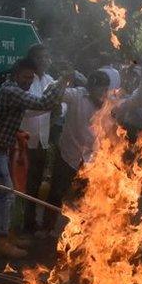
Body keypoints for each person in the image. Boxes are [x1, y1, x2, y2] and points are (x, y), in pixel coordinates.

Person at [0, 58, 68, 258]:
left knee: (3, 194)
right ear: (15, 75)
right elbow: (42, 103)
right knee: (5, 194)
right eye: (25, 77)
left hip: (0, 148)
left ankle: (7, 235)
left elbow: (23, 113)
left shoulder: (13, 90)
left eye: (31, 78)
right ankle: (2, 241)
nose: (28, 81)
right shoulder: (11, 91)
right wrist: (62, 81)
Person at [42, 70, 111, 233]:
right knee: (56, 193)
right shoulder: (76, 96)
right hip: (68, 155)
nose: (102, 93)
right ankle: (46, 228)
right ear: (90, 88)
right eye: (99, 89)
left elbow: (133, 101)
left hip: (92, 160)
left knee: (85, 197)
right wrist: (62, 79)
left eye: (105, 89)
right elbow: (49, 94)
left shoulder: (109, 102)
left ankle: (81, 233)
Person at [17, 44, 55, 234]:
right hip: (24, 142)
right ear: (32, 60)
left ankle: (31, 221)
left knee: (37, 183)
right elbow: (28, 110)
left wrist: (58, 109)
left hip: (42, 140)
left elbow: (61, 105)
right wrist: (49, 106)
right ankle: (21, 223)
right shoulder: (26, 80)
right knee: (23, 185)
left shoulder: (50, 80)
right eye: (40, 57)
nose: (45, 61)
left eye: (47, 57)